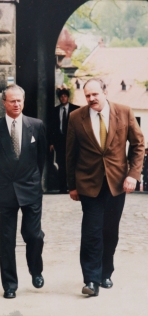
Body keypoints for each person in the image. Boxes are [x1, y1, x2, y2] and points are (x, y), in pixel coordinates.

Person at [66, 78, 144, 297]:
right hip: (89, 184)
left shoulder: (125, 112)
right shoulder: (76, 118)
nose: (91, 99)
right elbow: (70, 154)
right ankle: (91, 279)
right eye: (87, 96)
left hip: (117, 184)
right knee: (91, 232)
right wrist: (72, 185)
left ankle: (105, 272)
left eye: (95, 94)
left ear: (105, 92)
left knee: (110, 231)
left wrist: (133, 175)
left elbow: (138, 145)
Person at [0, 84, 46, 299]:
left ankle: (36, 269)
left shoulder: (36, 126)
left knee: (34, 235)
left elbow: (41, 159)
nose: (17, 104)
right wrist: (3, 177)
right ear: (4, 103)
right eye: (12, 101)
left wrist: (35, 180)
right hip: (7, 189)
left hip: (30, 188)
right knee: (7, 239)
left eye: (19, 100)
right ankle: (9, 284)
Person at [49, 88, 79, 193]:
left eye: (65, 96)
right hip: (60, 141)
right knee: (61, 164)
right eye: (61, 97)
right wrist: (51, 142)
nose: (63, 98)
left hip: (73, 141)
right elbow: (51, 128)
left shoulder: (76, 109)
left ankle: (73, 187)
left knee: (73, 163)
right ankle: (62, 188)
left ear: (68, 97)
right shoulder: (55, 110)